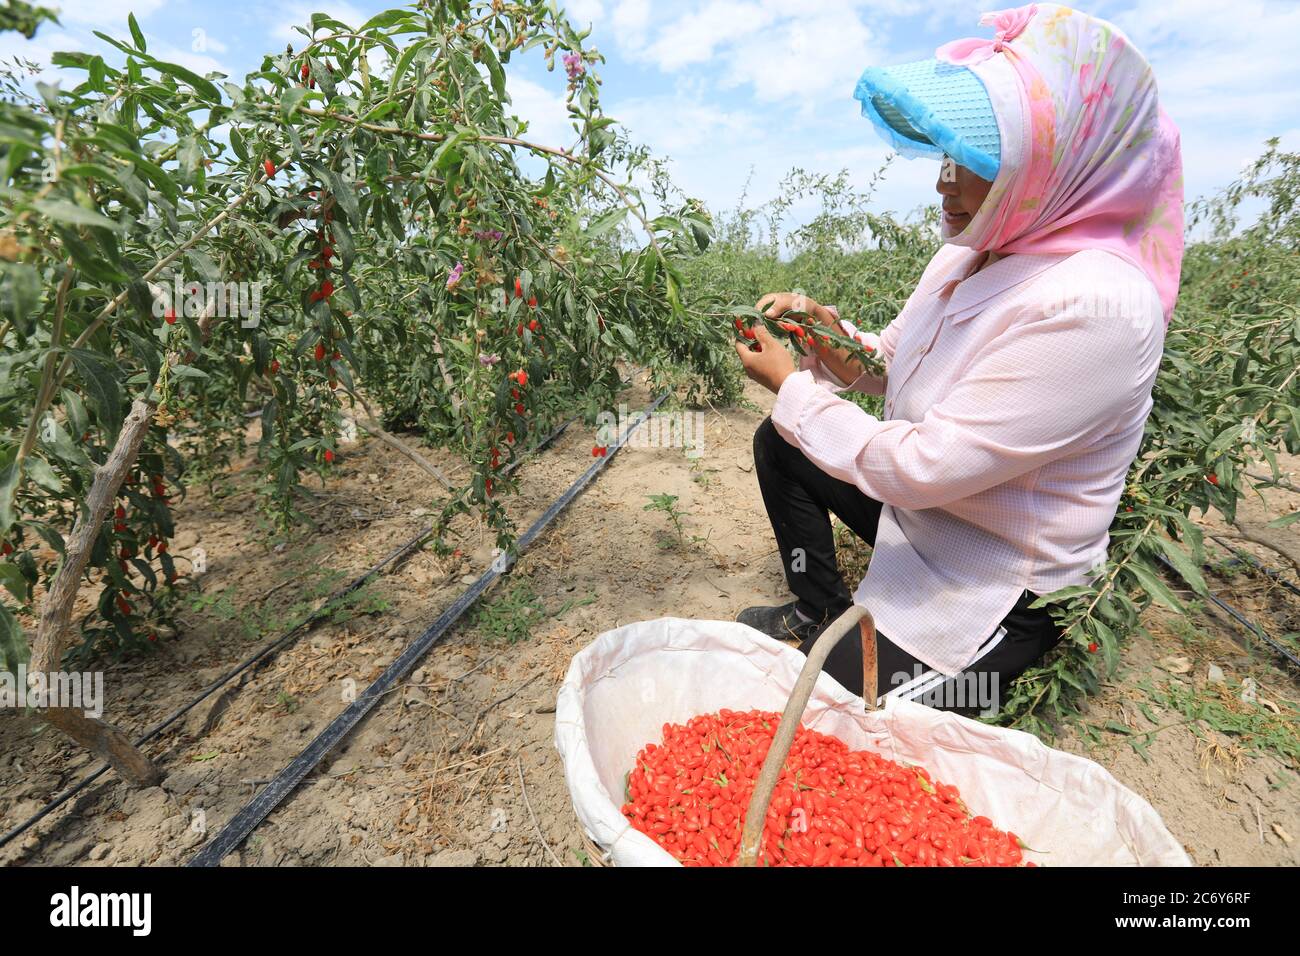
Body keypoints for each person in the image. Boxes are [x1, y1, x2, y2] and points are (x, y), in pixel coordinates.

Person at [733, 3, 1184, 714]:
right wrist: (827, 336)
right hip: (929, 509)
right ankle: (818, 605)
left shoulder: (1098, 307)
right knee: (784, 442)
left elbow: (923, 466)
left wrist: (794, 387)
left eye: (974, 162)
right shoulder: (967, 254)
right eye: (948, 157)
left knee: (840, 710)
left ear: (1050, 170)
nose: (946, 182)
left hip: (996, 571)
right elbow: (893, 357)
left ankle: (928, 661)